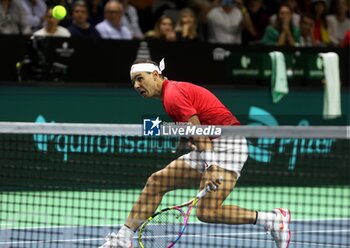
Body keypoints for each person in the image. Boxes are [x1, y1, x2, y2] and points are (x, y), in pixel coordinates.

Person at [98, 58, 292, 248]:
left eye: (140, 78)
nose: (136, 85)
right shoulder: (171, 93)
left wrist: (212, 167)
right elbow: (197, 129)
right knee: (157, 182)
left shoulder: (173, 95)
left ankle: (272, 220)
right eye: (133, 81)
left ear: (155, 75)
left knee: (207, 212)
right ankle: (123, 238)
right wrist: (188, 139)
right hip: (211, 144)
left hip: (229, 147)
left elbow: (199, 132)